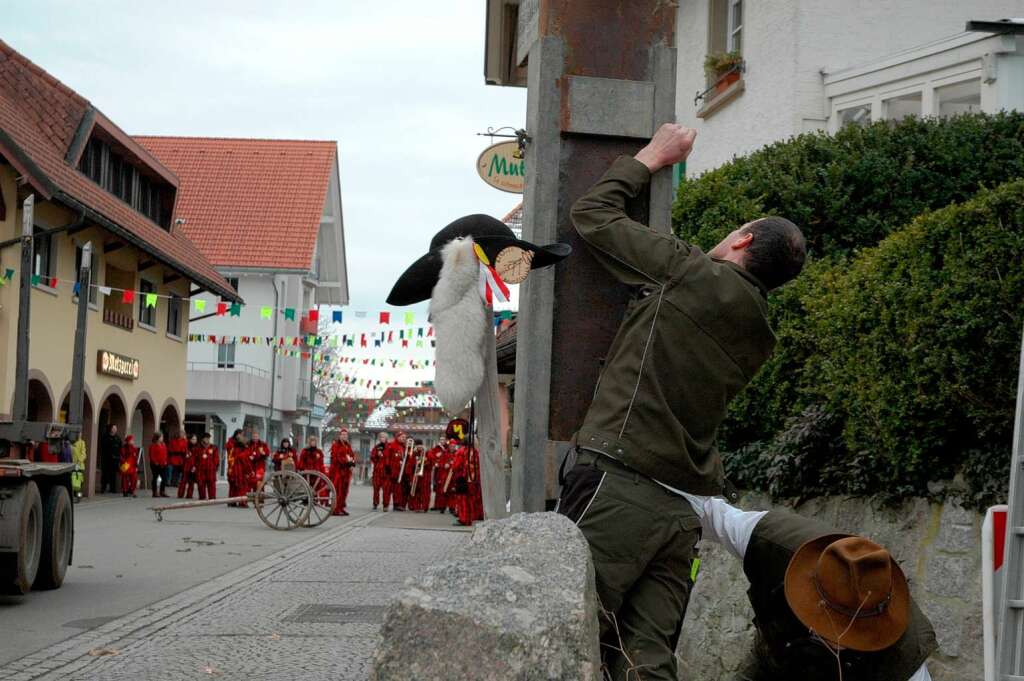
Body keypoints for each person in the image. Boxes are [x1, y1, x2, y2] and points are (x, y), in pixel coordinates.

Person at [555, 123, 807, 680]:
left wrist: (653, 156)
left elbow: (593, 216)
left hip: (620, 482)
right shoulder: (760, 334)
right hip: (683, 510)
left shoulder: (691, 273)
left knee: (564, 632)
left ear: (742, 240)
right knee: (645, 660)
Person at [693, 498, 936, 680]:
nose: (836, 640)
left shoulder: (904, 657)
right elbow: (704, 510)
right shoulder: (775, 541)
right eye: (829, 624)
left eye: (847, 632)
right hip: (777, 653)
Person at [328, 429, 356, 516]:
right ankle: (336, 509)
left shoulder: (348, 445)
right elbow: (337, 457)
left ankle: (341, 507)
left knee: (344, 491)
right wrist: (347, 462)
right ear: (340, 436)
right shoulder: (336, 445)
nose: (344, 436)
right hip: (338, 471)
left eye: (345, 435)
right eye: (343, 435)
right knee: (338, 490)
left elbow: (352, 455)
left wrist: (352, 462)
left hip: (346, 471)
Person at [384, 431, 408, 511]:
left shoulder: (404, 447)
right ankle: (386, 505)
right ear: (397, 437)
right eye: (402, 437)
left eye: (405, 437)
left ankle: (396, 505)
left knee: (398, 490)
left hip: (399, 472)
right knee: (388, 489)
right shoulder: (391, 445)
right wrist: (387, 466)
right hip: (391, 471)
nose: (404, 439)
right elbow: (387, 456)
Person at [226, 429, 250, 507]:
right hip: (238, 470)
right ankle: (241, 502)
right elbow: (246, 462)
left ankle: (232, 501)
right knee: (241, 487)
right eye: (241, 435)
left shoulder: (234, 449)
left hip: (233, 469)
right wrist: (249, 471)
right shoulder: (242, 451)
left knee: (234, 486)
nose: (242, 436)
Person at [408, 439, 432, 513]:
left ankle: (424, 507)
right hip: (416, 475)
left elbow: (431, 463)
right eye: (418, 446)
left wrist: (425, 462)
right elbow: (410, 465)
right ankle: (416, 506)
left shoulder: (427, 452)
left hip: (425, 475)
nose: (419, 447)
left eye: (420, 446)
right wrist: (416, 463)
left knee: (425, 492)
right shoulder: (414, 453)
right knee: (416, 491)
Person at [195, 433, 219, 501]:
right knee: (201, 483)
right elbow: (195, 458)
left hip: (210, 469)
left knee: (211, 483)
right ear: (202, 439)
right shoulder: (198, 447)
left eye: (208, 438)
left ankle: (212, 497)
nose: (207, 440)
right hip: (201, 469)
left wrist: (215, 466)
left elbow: (216, 458)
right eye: (206, 438)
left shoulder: (213, 447)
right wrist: (196, 466)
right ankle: (202, 497)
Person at [100, 423, 122, 494]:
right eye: (114, 428)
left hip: (115, 459)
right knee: (105, 474)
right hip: (107, 459)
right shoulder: (105, 437)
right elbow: (103, 448)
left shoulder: (117, 438)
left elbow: (120, 447)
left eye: (116, 428)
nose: (115, 430)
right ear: (110, 429)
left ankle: (113, 489)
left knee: (113, 474)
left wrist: (118, 456)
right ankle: (103, 488)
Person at [370, 432, 389, 510]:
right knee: (376, 489)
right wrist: (377, 456)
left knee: (386, 490)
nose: (382, 438)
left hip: (386, 471)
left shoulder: (389, 447)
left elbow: (391, 458)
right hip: (377, 471)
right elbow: (372, 457)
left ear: (386, 438)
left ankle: (385, 505)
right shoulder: (376, 447)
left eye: (384, 437)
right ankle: (375, 503)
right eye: (381, 437)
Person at [178, 434, 200, 499]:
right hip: (186, 467)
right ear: (190, 440)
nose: (194, 441)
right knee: (183, 481)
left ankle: (189, 495)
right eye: (193, 439)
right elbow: (182, 456)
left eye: (195, 439)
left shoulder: (197, 448)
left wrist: (195, 466)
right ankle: (180, 494)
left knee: (191, 482)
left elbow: (198, 458)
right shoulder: (186, 446)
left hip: (193, 467)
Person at [149, 432, 170, 498]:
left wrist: (166, 461)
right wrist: (155, 462)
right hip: (155, 464)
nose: (162, 438)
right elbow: (152, 455)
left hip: (163, 464)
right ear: (157, 438)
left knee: (164, 478)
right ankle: (154, 492)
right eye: (161, 437)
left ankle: (162, 491)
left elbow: (165, 453)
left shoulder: (163, 444)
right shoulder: (153, 445)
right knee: (155, 477)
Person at [71, 435, 87, 500]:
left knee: (79, 483)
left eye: (80, 433)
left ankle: (78, 496)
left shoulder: (82, 442)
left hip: (79, 466)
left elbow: (84, 454)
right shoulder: (70, 442)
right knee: (72, 481)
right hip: (71, 465)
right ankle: (72, 496)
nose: (78, 434)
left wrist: (79, 461)